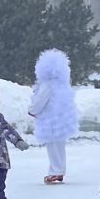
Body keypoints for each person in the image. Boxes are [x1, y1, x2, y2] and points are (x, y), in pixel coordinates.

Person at [29, 48, 79, 184]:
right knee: (59, 146)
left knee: (52, 147)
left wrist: (32, 110)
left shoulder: (47, 84)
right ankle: (59, 170)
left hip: (49, 119)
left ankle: (55, 171)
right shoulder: (62, 84)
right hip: (61, 119)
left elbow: (40, 100)